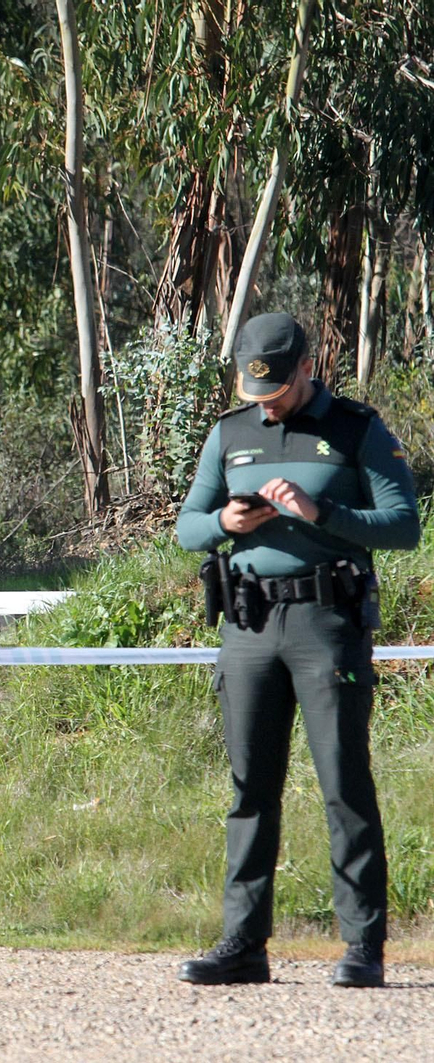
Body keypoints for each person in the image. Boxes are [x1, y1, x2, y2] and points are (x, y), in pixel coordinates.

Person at [175, 312, 419, 988]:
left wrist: (324, 515)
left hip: (326, 623)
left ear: (308, 366)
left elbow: (404, 526)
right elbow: (187, 526)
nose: (268, 402)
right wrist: (225, 519)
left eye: (278, 389)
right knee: (250, 787)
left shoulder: (355, 429)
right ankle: (244, 944)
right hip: (249, 624)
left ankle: (363, 945)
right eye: (257, 391)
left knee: (344, 783)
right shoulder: (229, 432)